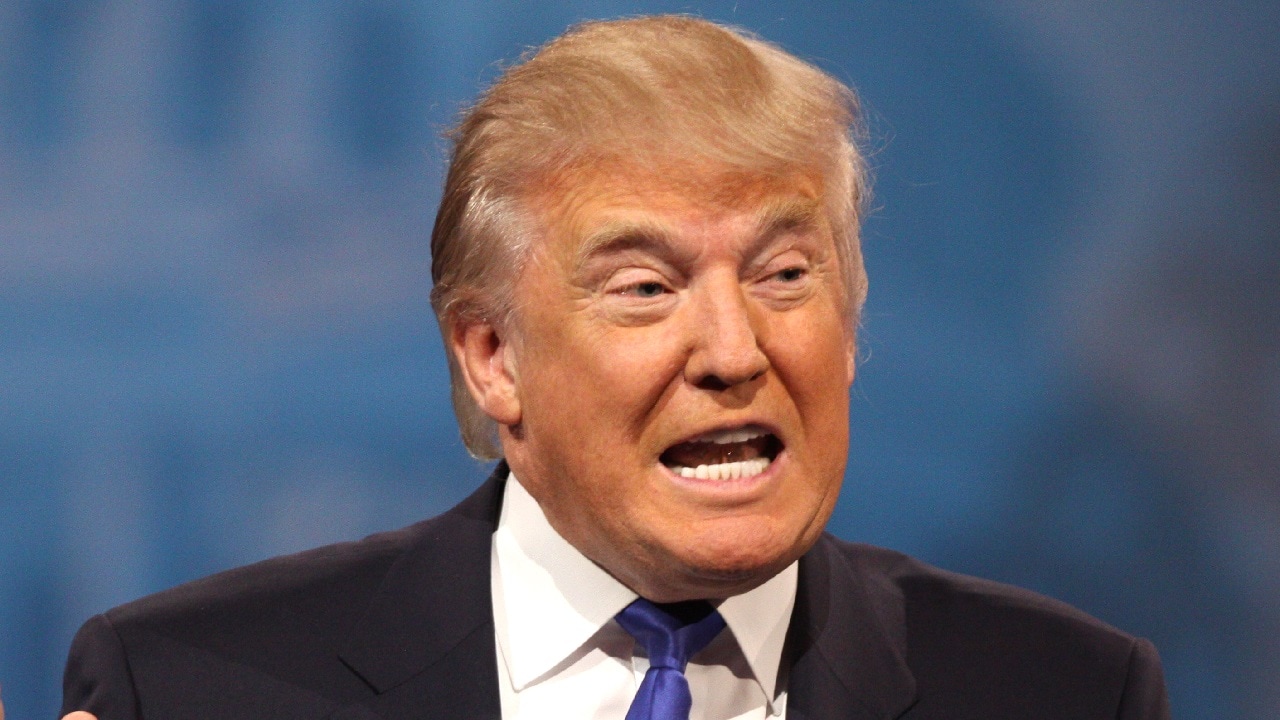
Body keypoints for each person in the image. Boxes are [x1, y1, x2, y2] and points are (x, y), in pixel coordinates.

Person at [60, 15, 1170, 719]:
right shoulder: (191, 688)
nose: (735, 352)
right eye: (644, 288)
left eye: (786, 276)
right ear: (491, 356)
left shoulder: (1064, 690)